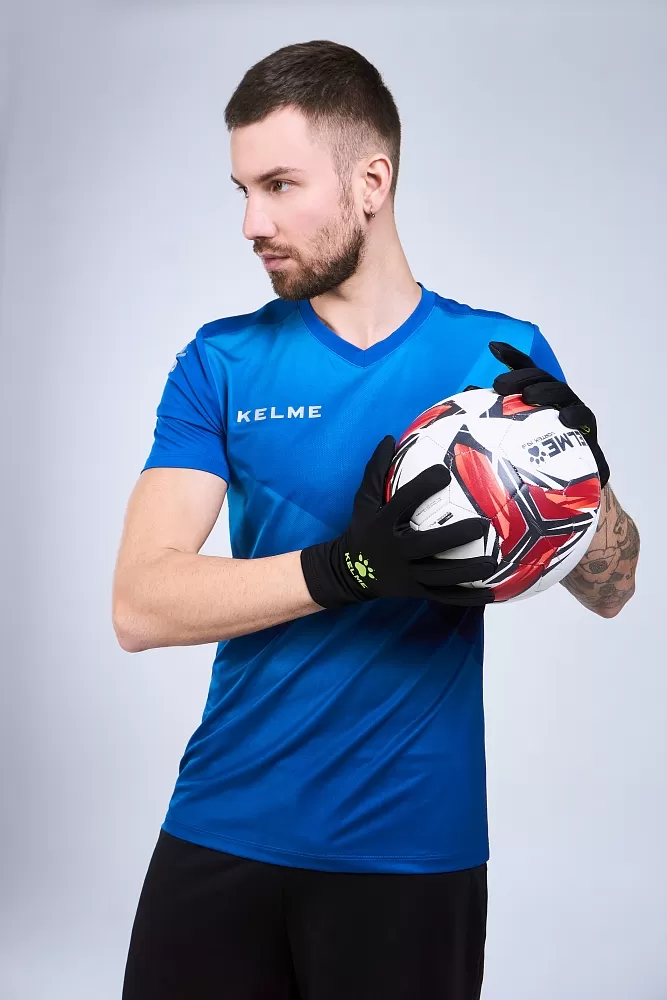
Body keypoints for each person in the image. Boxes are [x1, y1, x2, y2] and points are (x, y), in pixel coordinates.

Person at [114, 39, 640, 1000]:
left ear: (371, 181)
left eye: (279, 185)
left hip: (412, 849)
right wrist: (348, 568)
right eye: (242, 190)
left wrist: (582, 484)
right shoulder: (220, 363)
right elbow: (141, 604)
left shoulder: (498, 361)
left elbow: (612, 590)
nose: (251, 223)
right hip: (224, 825)